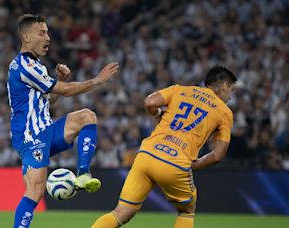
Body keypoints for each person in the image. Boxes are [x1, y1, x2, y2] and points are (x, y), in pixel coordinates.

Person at [8, 14, 119, 228]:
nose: (48, 38)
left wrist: (59, 81)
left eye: (48, 32)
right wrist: (97, 80)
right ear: (26, 37)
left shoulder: (36, 65)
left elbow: (47, 102)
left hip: (45, 130)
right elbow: (66, 92)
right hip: (30, 137)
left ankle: (84, 174)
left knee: (87, 117)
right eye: (42, 33)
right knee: (35, 191)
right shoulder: (23, 66)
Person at [92, 66, 237, 228]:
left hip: (146, 154)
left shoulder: (180, 90)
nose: (230, 97)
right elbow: (218, 155)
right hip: (175, 162)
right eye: (231, 90)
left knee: (121, 212)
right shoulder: (224, 111)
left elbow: (149, 102)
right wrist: (193, 165)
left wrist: (157, 115)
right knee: (186, 211)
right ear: (224, 86)